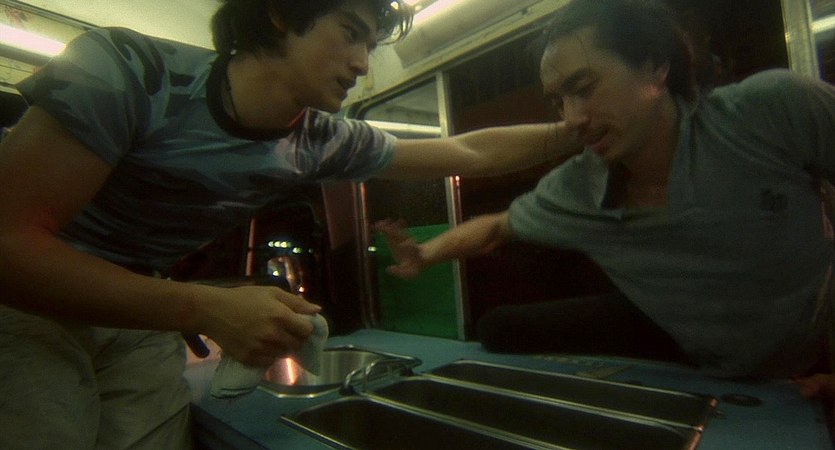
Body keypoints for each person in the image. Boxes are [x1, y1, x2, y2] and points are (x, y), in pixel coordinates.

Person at [0, 1, 578, 448]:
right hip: (26, 302)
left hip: (138, 314)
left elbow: (467, 152)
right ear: (280, 12)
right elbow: (9, 245)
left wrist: (580, 128)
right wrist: (203, 308)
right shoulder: (130, 70)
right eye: (349, 33)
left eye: (370, 45)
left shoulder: (318, 140)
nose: (362, 63)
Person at [377, 0, 835, 385]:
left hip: (813, 354)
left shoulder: (769, 111)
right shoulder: (579, 188)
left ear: (654, 67)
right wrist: (425, 254)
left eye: (584, 88)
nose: (572, 118)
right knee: (498, 327)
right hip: (698, 356)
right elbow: (497, 227)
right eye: (558, 101)